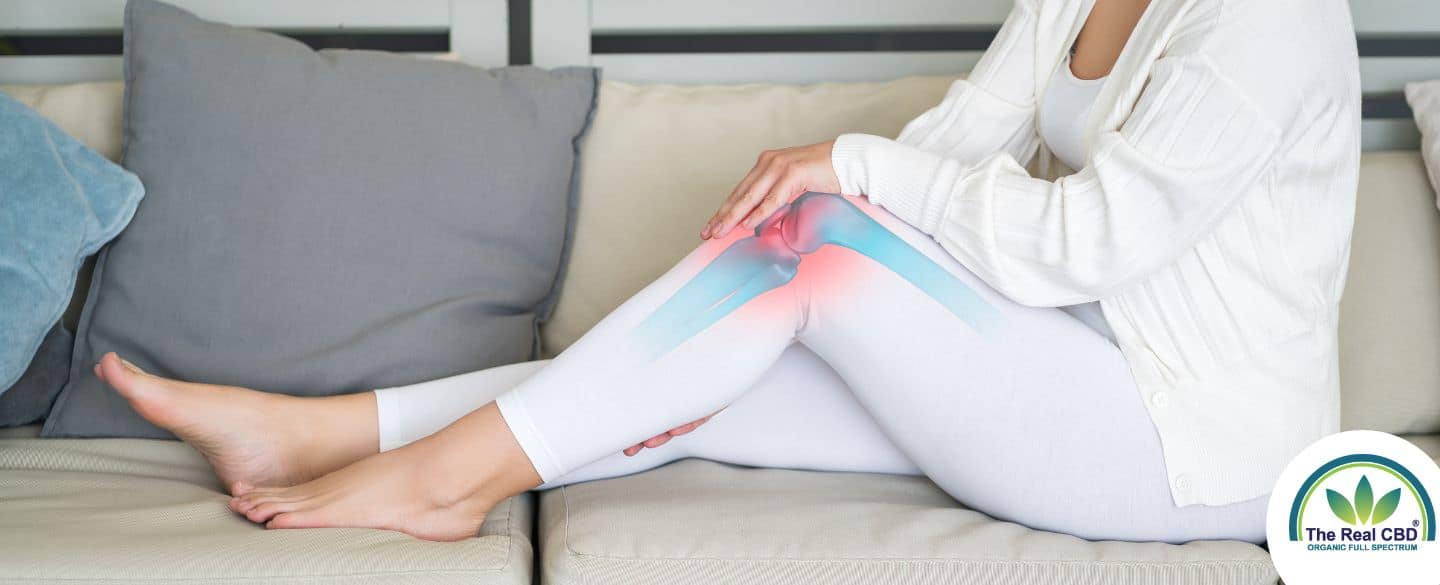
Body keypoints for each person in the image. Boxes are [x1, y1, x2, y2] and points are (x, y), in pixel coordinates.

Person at [92, 0, 1361, 544]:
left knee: (808, 254)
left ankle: (433, 486)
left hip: (1194, 449)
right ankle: (309, 434)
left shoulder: (1266, 14)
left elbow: (1096, 241)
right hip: (1067, 372)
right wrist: (841, 200)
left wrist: (846, 185)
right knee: (745, 328)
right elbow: (959, 142)